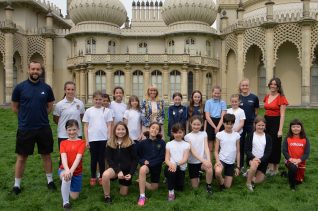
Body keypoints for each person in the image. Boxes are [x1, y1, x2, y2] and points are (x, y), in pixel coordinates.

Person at [11, 61, 56, 194]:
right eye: (33, 69)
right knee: (21, 157)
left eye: (38, 69)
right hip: (25, 128)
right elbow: (15, 107)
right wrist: (24, 118)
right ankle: (17, 185)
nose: (35, 71)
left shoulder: (46, 88)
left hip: (43, 127)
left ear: (41, 71)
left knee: (46, 155)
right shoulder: (20, 87)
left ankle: (50, 181)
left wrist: (40, 115)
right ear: (28, 70)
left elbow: (50, 106)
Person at [102, 122, 138, 204]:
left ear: (126, 131)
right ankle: (107, 196)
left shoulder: (130, 143)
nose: (120, 131)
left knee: (123, 194)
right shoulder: (110, 142)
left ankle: (122, 182)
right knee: (105, 175)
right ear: (115, 131)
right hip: (115, 169)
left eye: (123, 129)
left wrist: (131, 173)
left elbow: (135, 159)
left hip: (126, 171)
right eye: (118, 129)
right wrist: (118, 171)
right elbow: (109, 159)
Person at [83, 91, 113, 186]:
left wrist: (109, 138)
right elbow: (86, 126)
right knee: (93, 159)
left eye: (100, 100)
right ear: (93, 100)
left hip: (103, 138)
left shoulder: (107, 111)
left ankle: (101, 176)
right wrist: (87, 140)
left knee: (102, 159)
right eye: (96, 99)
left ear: (103, 100)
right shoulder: (88, 111)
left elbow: (109, 125)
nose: (98, 101)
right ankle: (93, 176)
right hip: (92, 139)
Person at [53, 81, 85, 165]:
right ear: (65, 90)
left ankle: (77, 175)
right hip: (63, 135)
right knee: (64, 157)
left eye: (72, 89)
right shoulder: (59, 105)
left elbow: (82, 117)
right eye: (68, 89)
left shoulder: (80, 103)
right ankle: (64, 176)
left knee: (77, 156)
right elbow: (56, 119)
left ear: (75, 90)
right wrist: (65, 127)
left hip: (77, 134)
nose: (70, 91)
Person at [58, 119, 86, 209]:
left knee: (74, 197)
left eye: (74, 129)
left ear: (78, 129)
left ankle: (66, 186)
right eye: (69, 130)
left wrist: (71, 171)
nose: (72, 132)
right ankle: (65, 202)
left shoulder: (82, 142)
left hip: (77, 172)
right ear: (66, 130)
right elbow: (63, 157)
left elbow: (78, 158)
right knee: (66, 177)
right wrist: (67, 170)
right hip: (64, 169)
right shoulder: (63, 143)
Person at [263, 77, 288, 176]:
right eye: (271, 84)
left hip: (276, 121)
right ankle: (269, 167)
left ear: (278, 87)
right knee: (267, 144)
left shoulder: (281, 98)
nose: (273, 86)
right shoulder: (267, 96)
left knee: (276, 145)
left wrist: (280, 130)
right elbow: (266, 110)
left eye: (275, 84)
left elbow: (282, 115)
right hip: (266, 121)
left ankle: (276, 168)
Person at [137, 122, 166, 206]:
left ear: (159, 132)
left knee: (154, 188)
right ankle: (142, 196)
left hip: (156, 167)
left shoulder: (162, 143)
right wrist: (143, 161)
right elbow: (137, 156)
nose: (154, 130)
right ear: (149, 129)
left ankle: (140, 181)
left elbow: (162, 157)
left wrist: (151, 163)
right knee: (142, 169)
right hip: (146, 166)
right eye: (153, 127)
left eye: (157, 129)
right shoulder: (142, 143)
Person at [184, 116, 213, 194]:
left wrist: (208, 161)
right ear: (190, 124)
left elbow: (206, 147)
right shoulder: (187, 136)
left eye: (198, 124)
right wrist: (203, 160)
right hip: (192, 163)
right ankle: (199, 174)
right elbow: (193, 151)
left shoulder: (204, 133)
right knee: (195, 187)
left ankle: (208, 185)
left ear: (202, 124)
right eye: (194, 124)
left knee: (209, 168)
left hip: (202, 162)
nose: (196, 126)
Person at [245, 116, 272, 191]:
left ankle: (248, 173)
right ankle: (248, 183)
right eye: (259, 125)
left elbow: (268, 152)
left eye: (263, 125)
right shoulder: (250, 135)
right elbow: (247, 150)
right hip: (252, 159)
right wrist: (253, 158)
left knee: (259, 181)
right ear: (255, 125)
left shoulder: (268, 137)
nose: (261, 127)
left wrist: (260, 160)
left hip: (263, 161)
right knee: (254, 164)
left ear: (265, 126)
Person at [214, 114, 240, 190]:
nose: (229, 126)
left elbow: (238, 152)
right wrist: (217, 161)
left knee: (228, 186)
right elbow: (215, 151)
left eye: (231, 124)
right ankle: (221, 183)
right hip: (222, 160)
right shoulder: (219, 134)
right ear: (223, 123)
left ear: (233, 124)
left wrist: (238, 166)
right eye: (227, 124)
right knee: (218, 172)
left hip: (231, 162)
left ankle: (222, 180)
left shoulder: (236, 135)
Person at [282, 119, 310, 191]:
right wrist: (290, 159)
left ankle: (286, 174)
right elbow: (284, 151)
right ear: (291, 128)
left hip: (300, 162)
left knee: (299, 181)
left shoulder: (305, 139)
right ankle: (292, 186)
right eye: (293, 127)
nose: (296, 129)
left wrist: (299, 160)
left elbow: (307, 153)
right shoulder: (287, 138)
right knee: (293, 168)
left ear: (301, 128)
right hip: (290, 161)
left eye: (298, 127)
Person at [165, 123, 190, 201]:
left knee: (179, 187)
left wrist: (176, 164)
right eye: (176, 132)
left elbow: (185, 159)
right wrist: (171, 165)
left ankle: (171, 181)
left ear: (183, 133)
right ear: (172, 133)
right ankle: (171, 192)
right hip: (170, 167)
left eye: (180, 132)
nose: (178, 134)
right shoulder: (169, 144)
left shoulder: (186, 145)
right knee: (171, 172)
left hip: (180, 167)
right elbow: (166, 159)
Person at [239, 79, 259, 172]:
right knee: (241, 144)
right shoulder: (238, 98)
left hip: (251, 124)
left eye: (246, 85)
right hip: (240, 125)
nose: (245, 87)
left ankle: (250, 163)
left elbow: (256, 112)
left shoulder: (254, 97)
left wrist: (255, 123)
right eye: (243, 85)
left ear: (249, 86)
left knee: (250, 144)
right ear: (240, 87)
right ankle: (241, 165)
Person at [205, 85, 227, 153]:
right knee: (210, 146)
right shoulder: (208, 102)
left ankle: (219, 162)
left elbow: (223, 116)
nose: (216, 95)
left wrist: (218, 127)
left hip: (220, 122)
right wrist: (215, 127)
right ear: (212, 93)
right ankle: (210, 162)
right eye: (215, 93)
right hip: (211, 122)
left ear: (220, 93)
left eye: (218, 93)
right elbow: (207, 116)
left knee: (219, 145)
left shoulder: (223, 102)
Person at [227, 94, 246, 172]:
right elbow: (226, 122)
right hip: (229, 134)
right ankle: (230, 163)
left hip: (238, 134)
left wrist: (235, 131)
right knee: (230, 149)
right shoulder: (228, 110)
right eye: (232, 101)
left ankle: (240, 165)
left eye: (236, 101)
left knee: (239, 150)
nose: (234, 103)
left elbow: (242, 123)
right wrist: (229, 131)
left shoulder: (241, 111)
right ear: (230, 102)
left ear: (239, 102)